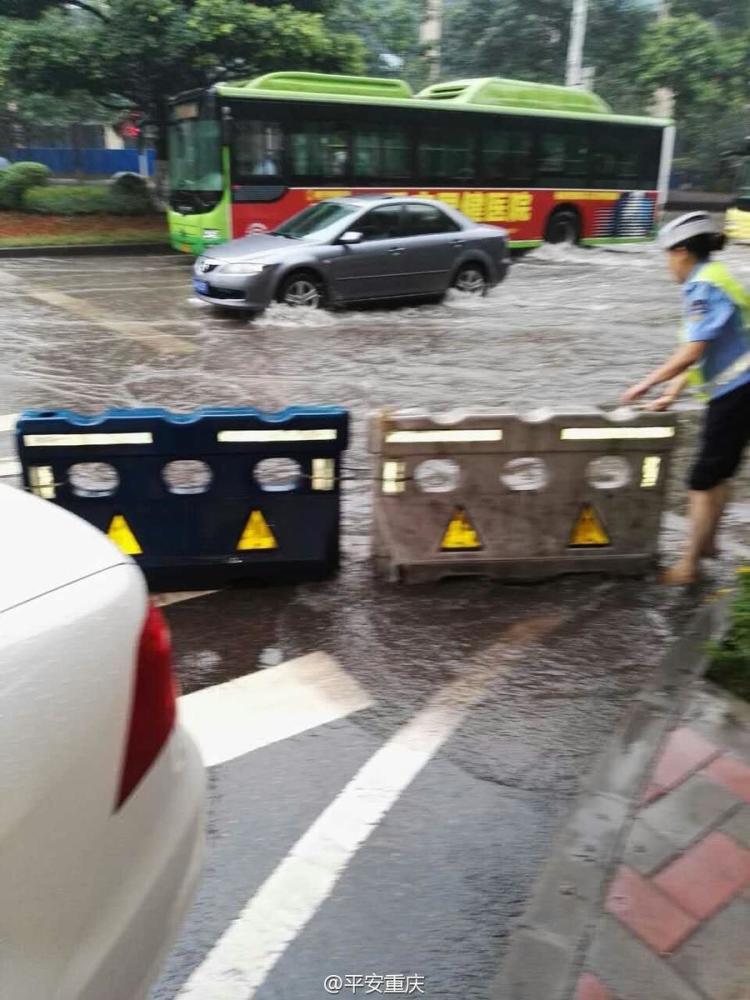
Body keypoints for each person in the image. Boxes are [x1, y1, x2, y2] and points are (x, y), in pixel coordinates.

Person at [622, 211, 750, 585]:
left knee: (700, 480)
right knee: (718, 473)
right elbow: (708, 349)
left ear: (681, 252)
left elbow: (693, 352)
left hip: (737, 390)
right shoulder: (716, 276)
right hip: (739, 389)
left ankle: (688, 566)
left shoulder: (702, 287)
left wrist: (644, 385)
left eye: (667, 255)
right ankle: (707, 544)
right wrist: (671, 393)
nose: (667, 265)